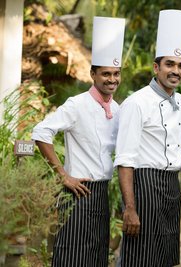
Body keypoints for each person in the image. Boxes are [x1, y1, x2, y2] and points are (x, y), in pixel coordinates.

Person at [114, 9, 181, 267]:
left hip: (171, 187)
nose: (176, 70)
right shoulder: (137, 103)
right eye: (170, 64)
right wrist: (129, 208)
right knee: (138, 257)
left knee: (164, 258)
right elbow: (125, 160)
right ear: (156, 67)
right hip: (145, 185)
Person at [31, 16, 125, 267]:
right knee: (71, 256)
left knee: (96, 256)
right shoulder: (77, 104)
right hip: (77, 192)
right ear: (92, 74)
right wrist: (62, 174)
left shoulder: (117, 108)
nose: (112, 79)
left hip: (102, 194)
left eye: (116, 74)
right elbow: (41, 132)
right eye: (106, 74)